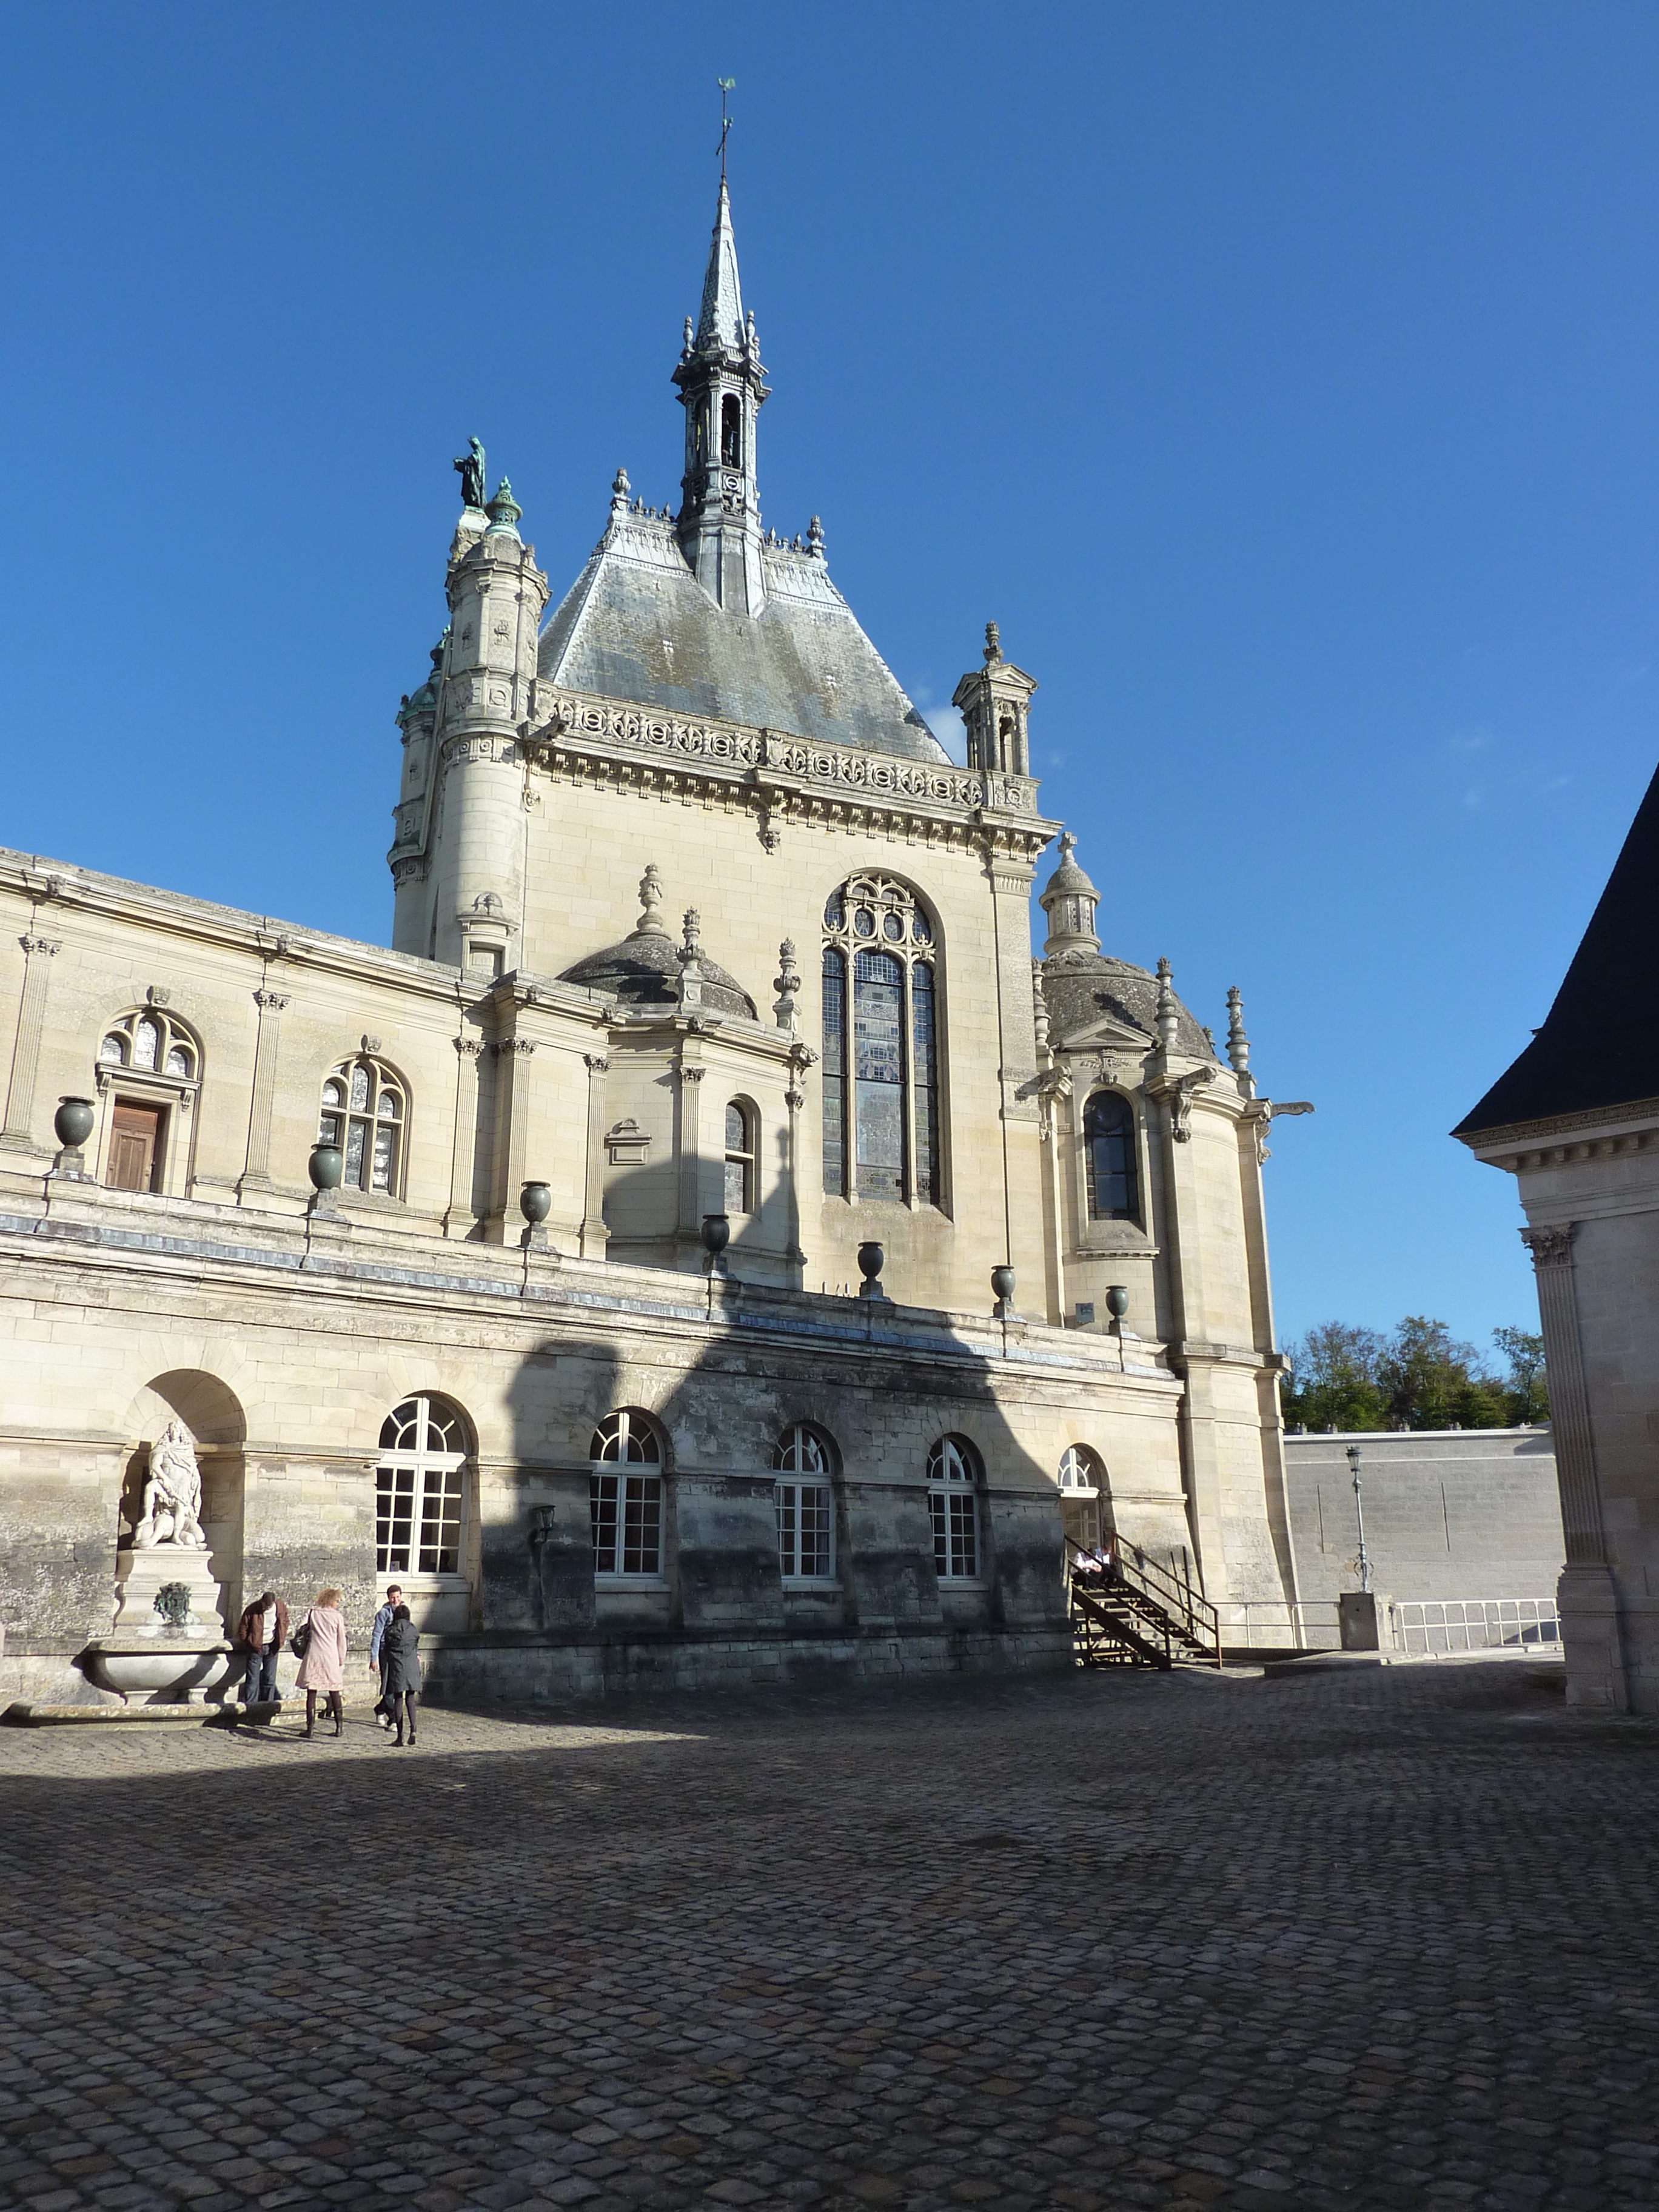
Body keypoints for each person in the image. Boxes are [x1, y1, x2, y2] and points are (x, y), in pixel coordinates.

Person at [295, 1586, 349, 1738]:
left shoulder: (312, 1612)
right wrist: (341, 1658)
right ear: (331, 1600)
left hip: (314, 1654)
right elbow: (341, 1641)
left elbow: (299, 1628)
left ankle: (310, 1728)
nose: (338, 1603)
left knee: (312, 1691)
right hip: (330, 1656)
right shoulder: (337, 1617)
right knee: (334, 1691)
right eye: (337, 1600)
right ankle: (339, 1727)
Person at [235, 1589, 289, 1707]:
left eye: (269, 1606)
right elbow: (243, 1628)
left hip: (272, 1646)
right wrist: (249, 1642)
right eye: (264, 1605)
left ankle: (266, 1706)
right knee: (253, 1680)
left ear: (273, 1603)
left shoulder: (280, 1607)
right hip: (255, 1647)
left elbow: (285, 1621)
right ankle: (251, 1708)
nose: (266, 1608)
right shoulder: (253, 1609)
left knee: (270, 1679)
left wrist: (281, 1637)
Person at [380, 1603, 421, 1747]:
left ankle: (400, 1736)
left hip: (397, 1667)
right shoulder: (413, 1629)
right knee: (411, 1699)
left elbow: (386, 1647)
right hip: (412, 1666)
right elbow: (416, 1644)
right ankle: (414, 1730)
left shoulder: (391, 1631)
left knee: (398, 1699)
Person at [368, 1583, 404, 1728]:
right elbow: (377, 1635)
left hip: (399, 1652)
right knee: (388, 1684)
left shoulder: (403, 1611)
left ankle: (380, 1709)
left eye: (397, 1597)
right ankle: (394, 1719)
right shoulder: (384, 1613)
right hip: (385, 1651)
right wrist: (374, 1658)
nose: (395, 1600)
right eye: (392, 1598)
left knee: (395, 1684)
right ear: (388, 1598)